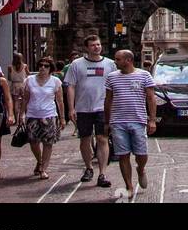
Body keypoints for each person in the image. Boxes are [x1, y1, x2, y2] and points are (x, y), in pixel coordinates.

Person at [103, 48, 157, 202]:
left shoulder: (144, 75)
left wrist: (152, 120)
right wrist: (107, 121)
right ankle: (129, 186)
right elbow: (108, 100)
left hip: (138, 120)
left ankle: (141, 168)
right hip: (118, 121)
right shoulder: (112, 77)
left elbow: (151, 98)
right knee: (123, 154)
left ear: (128, 60)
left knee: (141, 154)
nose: (115, 61)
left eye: (118, 59)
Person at [65, 35, 115, 188]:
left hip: (102, 107)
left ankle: (102, 173)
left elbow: (114, 86)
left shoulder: (110, 64)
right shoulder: (77, 64)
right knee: (85, 140)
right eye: (93, 45)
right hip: (83, 108)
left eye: (98, 44)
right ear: (87, 47)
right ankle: (88, 167)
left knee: (102, 139)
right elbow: (71, 86)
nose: (96, 47)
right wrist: (71, 108)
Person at [19, 56, 65, 179]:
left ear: (51, 68)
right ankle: (39, 160)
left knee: (48, 143)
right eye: (41, 65)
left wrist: (62, 118)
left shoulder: (55, 81)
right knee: (33, 141)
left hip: (49, 114)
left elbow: (60, 101)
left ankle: (43, 168)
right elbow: (25, 98)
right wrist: (21, 114)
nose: (43, 68)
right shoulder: (30, 80)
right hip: (33, 114)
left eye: (46, 66)